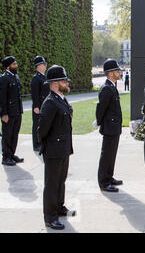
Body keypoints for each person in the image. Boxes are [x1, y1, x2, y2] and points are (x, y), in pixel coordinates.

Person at [38, 65, 75, 230]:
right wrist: (49, 146)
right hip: (53, 150)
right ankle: (50, 217)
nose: (67, 82)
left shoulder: (61, 98)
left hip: (63, 148)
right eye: (64, 80)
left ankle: (59, 207)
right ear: (54, 83)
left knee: (61, 181)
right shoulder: (50, 103)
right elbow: (42, 130)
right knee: (52, 184)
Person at [96, 59, 124, 192]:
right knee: (107, 154)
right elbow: (101, 108)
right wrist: (99, 122)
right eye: (117, 70)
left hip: (114, 126)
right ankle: (103, 181)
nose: (119, 72)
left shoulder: (112, 86)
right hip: (109, 127)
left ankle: (109, 176)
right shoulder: (107, 88)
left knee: (112, 153)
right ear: (110, 73)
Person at [1, 56, 24, 166]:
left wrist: (20, 111)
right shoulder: (4, 78)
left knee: (14, 134)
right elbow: (2, 98)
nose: (16, 65)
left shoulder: (15, 77)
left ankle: (11, 154)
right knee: (7, 135)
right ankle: (6, 157)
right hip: (8, 113)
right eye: (14, 64)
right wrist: (4, 113)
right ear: (8, 66)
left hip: (17, 112)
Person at [31, 56, 50, 152]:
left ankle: (42, 142)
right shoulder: (36, 78)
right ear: (38, 66)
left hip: (45, 105)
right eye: (43, 64)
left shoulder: (44, 77)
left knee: (44, 125)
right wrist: (36, 106)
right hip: (39, 105)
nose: (45, 65)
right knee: (37, 126)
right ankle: (36, 144)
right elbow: (35, 94)